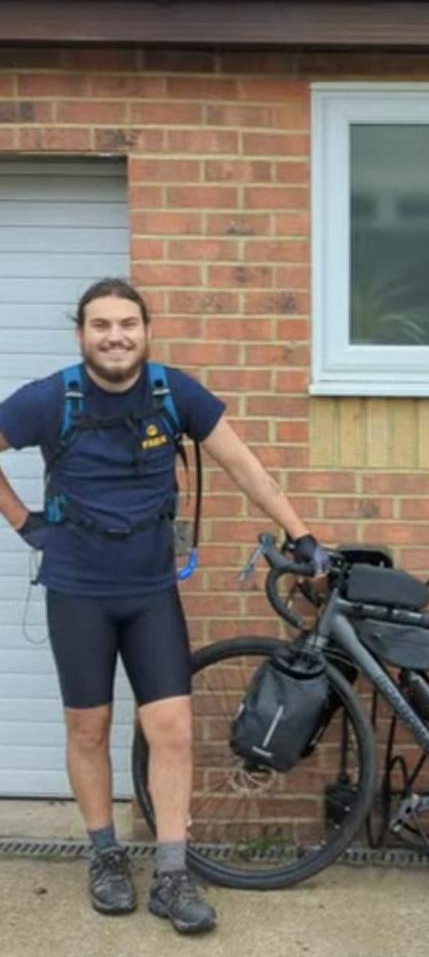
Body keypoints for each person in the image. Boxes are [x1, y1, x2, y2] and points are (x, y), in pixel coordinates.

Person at [0, 278, 329, 935]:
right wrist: (23, 521)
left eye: (127, 323)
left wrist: (301, 532)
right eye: (101, 325)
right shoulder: (49, 397)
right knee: (87, 729)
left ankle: (173, 873)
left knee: (172, 728)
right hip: (77, 591)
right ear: (81, 334)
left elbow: (245, 466)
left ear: (146, 330)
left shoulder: (175, 393)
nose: (115, 335)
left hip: (150, 591)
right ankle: (106, 856)